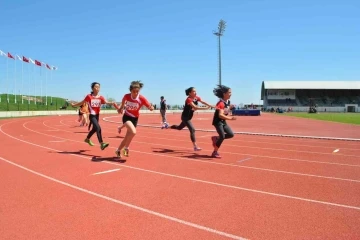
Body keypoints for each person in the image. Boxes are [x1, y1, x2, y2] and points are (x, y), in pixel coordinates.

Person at [114, 80, 154, 158]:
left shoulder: (142, 98)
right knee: (133, 132)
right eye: (134, 91)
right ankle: (126, 148)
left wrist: (151, 108)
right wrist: (121, 108)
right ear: (130, 90)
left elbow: (149, 106)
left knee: (127, 137)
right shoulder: (127, 96)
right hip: (127, 117)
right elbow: (122, 103)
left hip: (135, 118)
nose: (135, 93)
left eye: (137, 91)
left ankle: (118, 150)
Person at [71, 82, 115, 150]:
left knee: (94, 129)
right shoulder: (89, 96)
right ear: (92, 88)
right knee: (98, 128)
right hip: (92, 116)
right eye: (96, 87)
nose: (97, 88)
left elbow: (106, 102)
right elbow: (82, 102)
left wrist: (112, 103)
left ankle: (87, 139)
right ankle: (101, 143)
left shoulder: (101, 97)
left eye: (99, 87)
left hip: (97, 116)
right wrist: (74, 105)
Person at [211, 85, 236, 158]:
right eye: (229, 92)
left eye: (231, 92)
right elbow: (220, 115)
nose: (231, 94)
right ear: (224, 94)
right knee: (222, 136)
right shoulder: (220, 103)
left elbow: (226, 111)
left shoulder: (228, 102)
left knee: (231, 134)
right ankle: (215, 152)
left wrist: (230, 109)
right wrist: (230, 118)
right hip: (218, 122)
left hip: (223, 121)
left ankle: (216, 138)